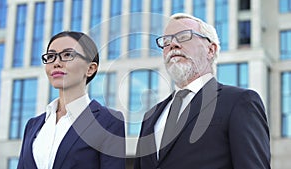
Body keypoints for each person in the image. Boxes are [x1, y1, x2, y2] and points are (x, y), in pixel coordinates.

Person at [134, 13, 271, 169]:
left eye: (184, 36)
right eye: (166, 42)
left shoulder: (240, 102)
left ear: (210, 50)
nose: (173, 44)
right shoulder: (150, 117)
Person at [17, 31, 125, 169]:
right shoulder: (33, 125)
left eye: (67, 55)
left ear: (90, 69)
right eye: (51, 56)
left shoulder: (108, 121)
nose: (56, 63)